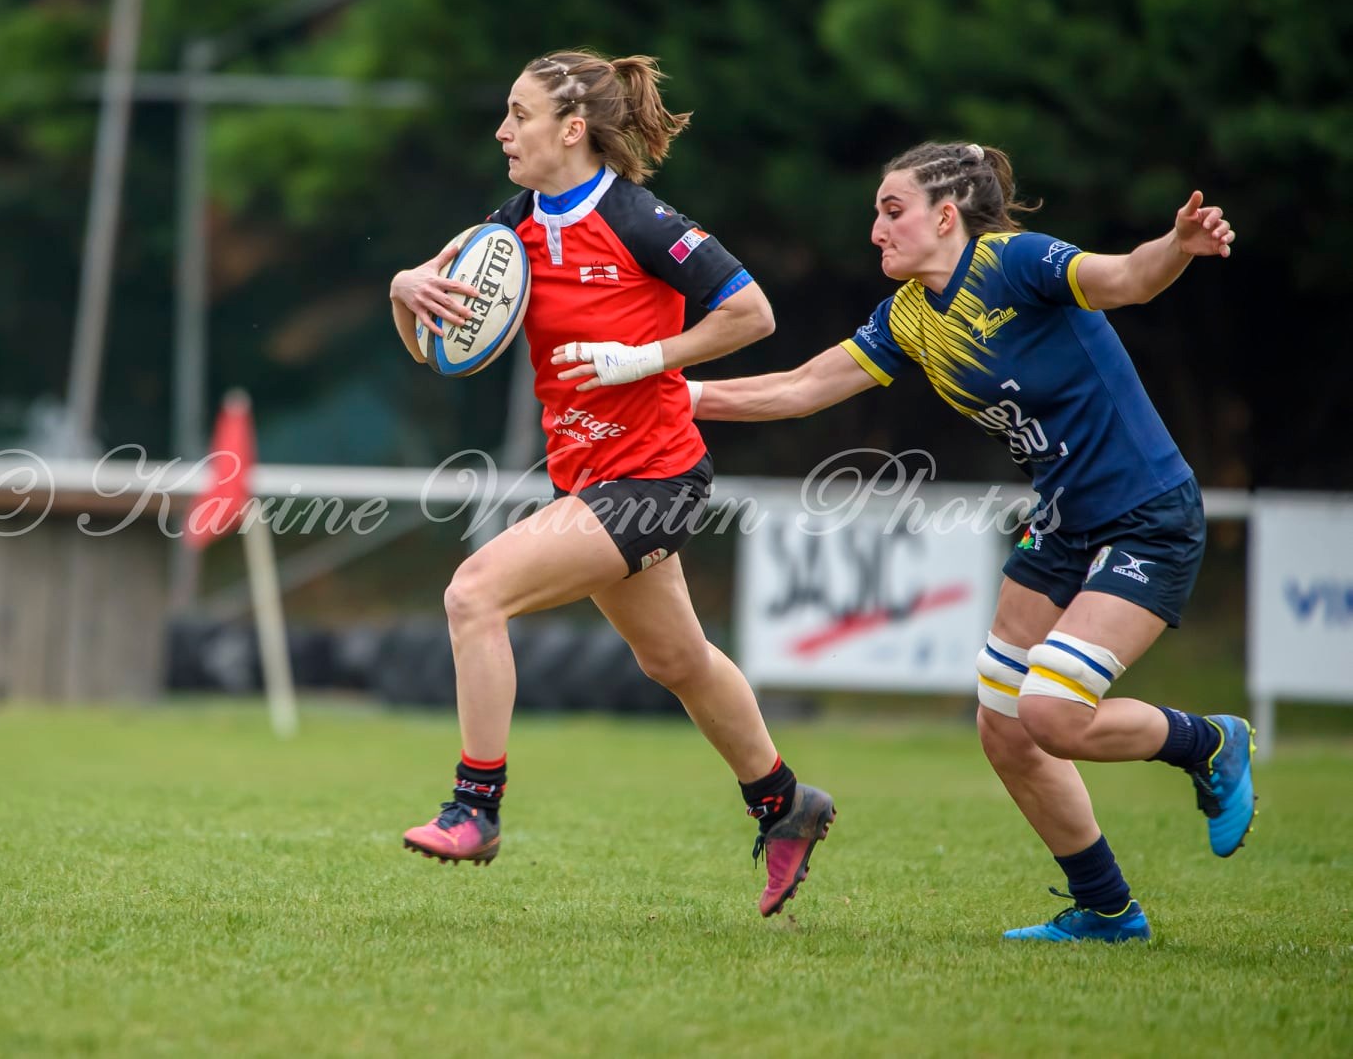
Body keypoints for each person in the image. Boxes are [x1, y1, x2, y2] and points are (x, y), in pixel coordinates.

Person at [662, 142, 1249, 942]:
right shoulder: (908, 316)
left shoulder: (1015, 263)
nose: (876, 230)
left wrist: (1175, 246)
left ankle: (1209, 742)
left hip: (1146, 514)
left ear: (946, 217)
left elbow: (1125, 279)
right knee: (1003, 725)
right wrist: (675, 394)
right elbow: (802, 388)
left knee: (1051, 715)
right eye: (876, 213)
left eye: (892, 211)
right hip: (1063, 523)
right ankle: (1108, 910)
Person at [386, 49, 835, 917]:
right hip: (588, 479)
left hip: (655, 476)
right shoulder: (507, 229)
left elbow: (752, 314)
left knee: (474, 593)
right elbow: (436, 339)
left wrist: (646, 357)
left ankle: (475, 809)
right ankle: (786, 803)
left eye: (519, 114)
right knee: (675, 659)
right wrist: (406, 289)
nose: (501, 131)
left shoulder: (640, 220)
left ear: (572, 129)